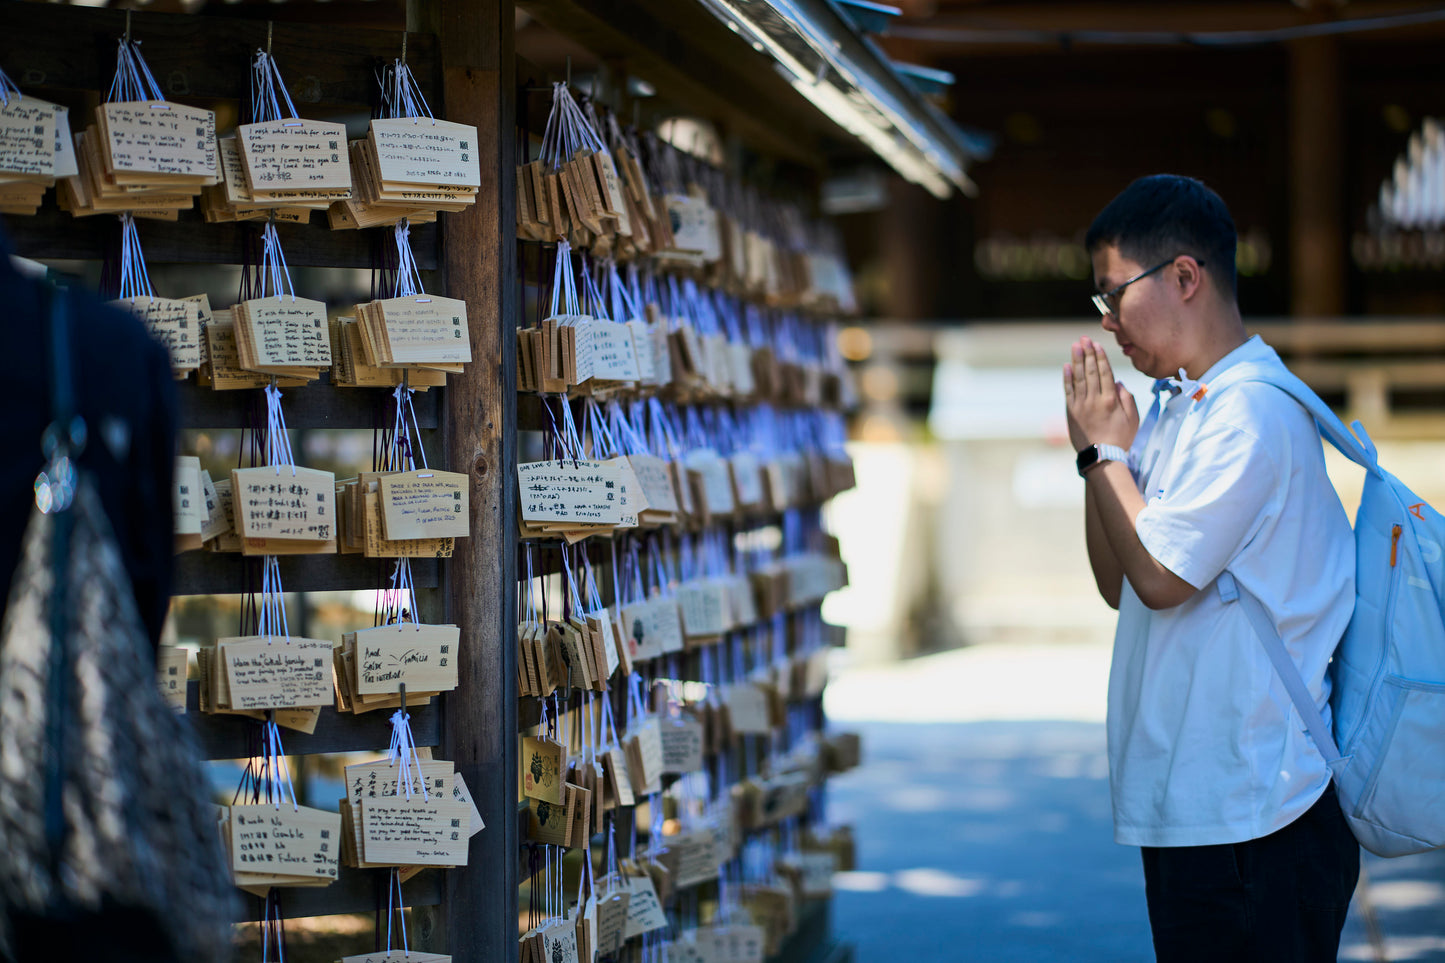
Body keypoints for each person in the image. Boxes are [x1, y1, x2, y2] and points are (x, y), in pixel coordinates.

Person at [1062, 174, 1360, 962]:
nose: (1104, 321)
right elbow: (1119, 584)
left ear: (1184, 276)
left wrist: (1104, 452)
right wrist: (1102, 460)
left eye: (1111, 293)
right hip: (1205, 803)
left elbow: (1161, 578)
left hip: (1258, 810)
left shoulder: (1248, 411)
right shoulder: (1176, 405)